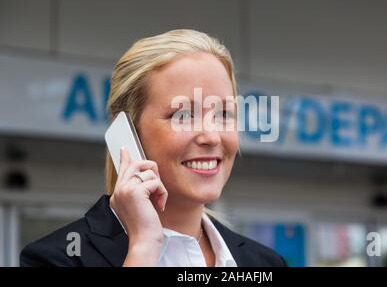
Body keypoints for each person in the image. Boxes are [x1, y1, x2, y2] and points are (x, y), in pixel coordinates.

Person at [20, 29, 288, 267]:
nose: (211, 136)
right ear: (125, 132)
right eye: (183, 115)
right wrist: (143, 248)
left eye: (224, 113)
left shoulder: (265, 262)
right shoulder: (56, 258)